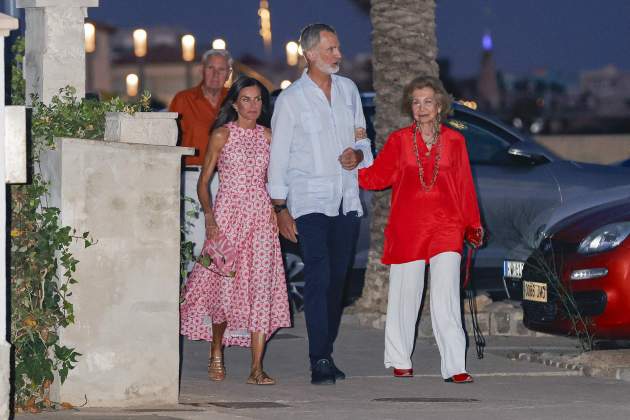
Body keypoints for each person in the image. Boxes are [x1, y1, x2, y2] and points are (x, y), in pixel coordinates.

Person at [358, 76, 483, 384]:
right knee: (405, 295)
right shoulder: (399, 140)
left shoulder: (455, 141)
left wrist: (473, 224)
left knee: (446, 298)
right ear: (409, 107)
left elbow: (465, 186)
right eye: (416, 102)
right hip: (408, 228)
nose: (422, 107)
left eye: (428, 101)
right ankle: (400, 359)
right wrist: (356, 155)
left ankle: (455, 366)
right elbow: (375, 178)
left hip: (447, 227)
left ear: (439, 105)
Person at [268, 23, 374, 385]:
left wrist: (357, 156)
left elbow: (364, 139)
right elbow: (278, 157)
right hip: (308, 201)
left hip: (345, 199)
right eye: (330, 49)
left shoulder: (349, 91)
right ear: (310, 54)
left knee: (338, 282)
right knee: (318, 275)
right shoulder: (291, 100)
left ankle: (325, 347)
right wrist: (280, 208)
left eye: (338, 48)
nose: (338, 55)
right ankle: (320, 359)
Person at [180, 77, 291, 385]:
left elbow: (280, 177)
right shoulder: (221, 135)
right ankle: (217, 350)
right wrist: (210, 218)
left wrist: (279, 210)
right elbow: (204, 182)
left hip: (261, 220)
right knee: (222, 288)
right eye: (246, 99)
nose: (253, 106)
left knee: (260, 288)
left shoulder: (269, 136)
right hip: (227, 219)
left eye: (258, 100)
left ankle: (256, 367)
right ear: (234, 103)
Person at [169, 49, 232, 256]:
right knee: (195, 243)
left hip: (228, 180)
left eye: (221, 70)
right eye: (210, 68)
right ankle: (192, 288)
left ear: (229, 73)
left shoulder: (235, 102)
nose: (215, 74)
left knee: (226, 243)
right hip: (192, 178)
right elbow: (170, 140)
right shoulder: (183, 100)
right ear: (201, 70)